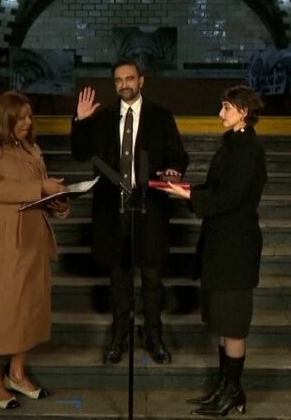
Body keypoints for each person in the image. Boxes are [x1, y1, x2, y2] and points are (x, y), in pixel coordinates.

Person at [71, 59, 189, 364]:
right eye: (118, 80)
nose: (124, 84)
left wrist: (174, 169)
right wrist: (81, 120)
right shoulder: (104, 116)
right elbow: (80, 154)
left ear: (141, 81)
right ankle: (118, 338)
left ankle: (154, 338)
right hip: (113, 211)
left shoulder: (161, 116)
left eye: (129, 78)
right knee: (119, 281)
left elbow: (178, 153)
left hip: (149, 209)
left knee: (152, 281)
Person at [160, 85, 267, 417]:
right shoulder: (233, 145)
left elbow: (230, 197)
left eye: (226, 107)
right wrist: (186, 188)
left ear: (243, 112)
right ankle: (224, 388)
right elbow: (219, 189)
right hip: (222, 246)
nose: (221, 113)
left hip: (236, 248)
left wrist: (190, 197)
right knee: (223, 320)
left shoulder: (248, 150)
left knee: (233, 323)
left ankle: (233, 391)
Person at [0, 91, 70, 410]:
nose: (27, 123)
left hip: (31, 238)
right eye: (21, 117)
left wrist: (59, 203)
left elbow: (39, 192)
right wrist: (41, 187)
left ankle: (18, 372)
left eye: (29, 117)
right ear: (6, 117)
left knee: (27, 305)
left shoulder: (32, 149)